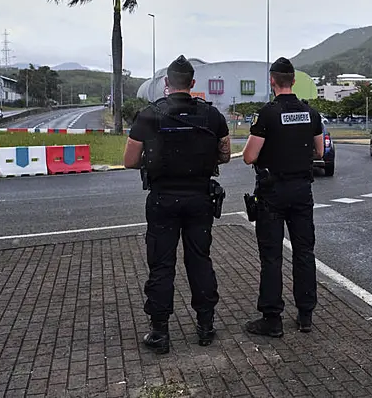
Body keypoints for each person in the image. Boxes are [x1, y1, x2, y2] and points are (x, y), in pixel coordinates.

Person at [123, 55, 232, 354]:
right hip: (200, 199)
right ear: (192, 84)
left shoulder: (148, 115)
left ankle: (160, 333)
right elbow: (224, 155)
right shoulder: (212, 116)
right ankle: (206, 326)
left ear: (167, 84)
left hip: (162, 200)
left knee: (161, 264)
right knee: (200, 260)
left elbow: (129, 160)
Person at [242, 57, 324, 337]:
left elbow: (249, 156)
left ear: (272, 81)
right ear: (293, 81)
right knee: (304, 253)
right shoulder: (310, 113)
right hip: (302, 191)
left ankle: (272, 318)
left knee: (272, 256)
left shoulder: (266, 114)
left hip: (272, 193)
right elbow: (320, 152)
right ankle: (305, 315)